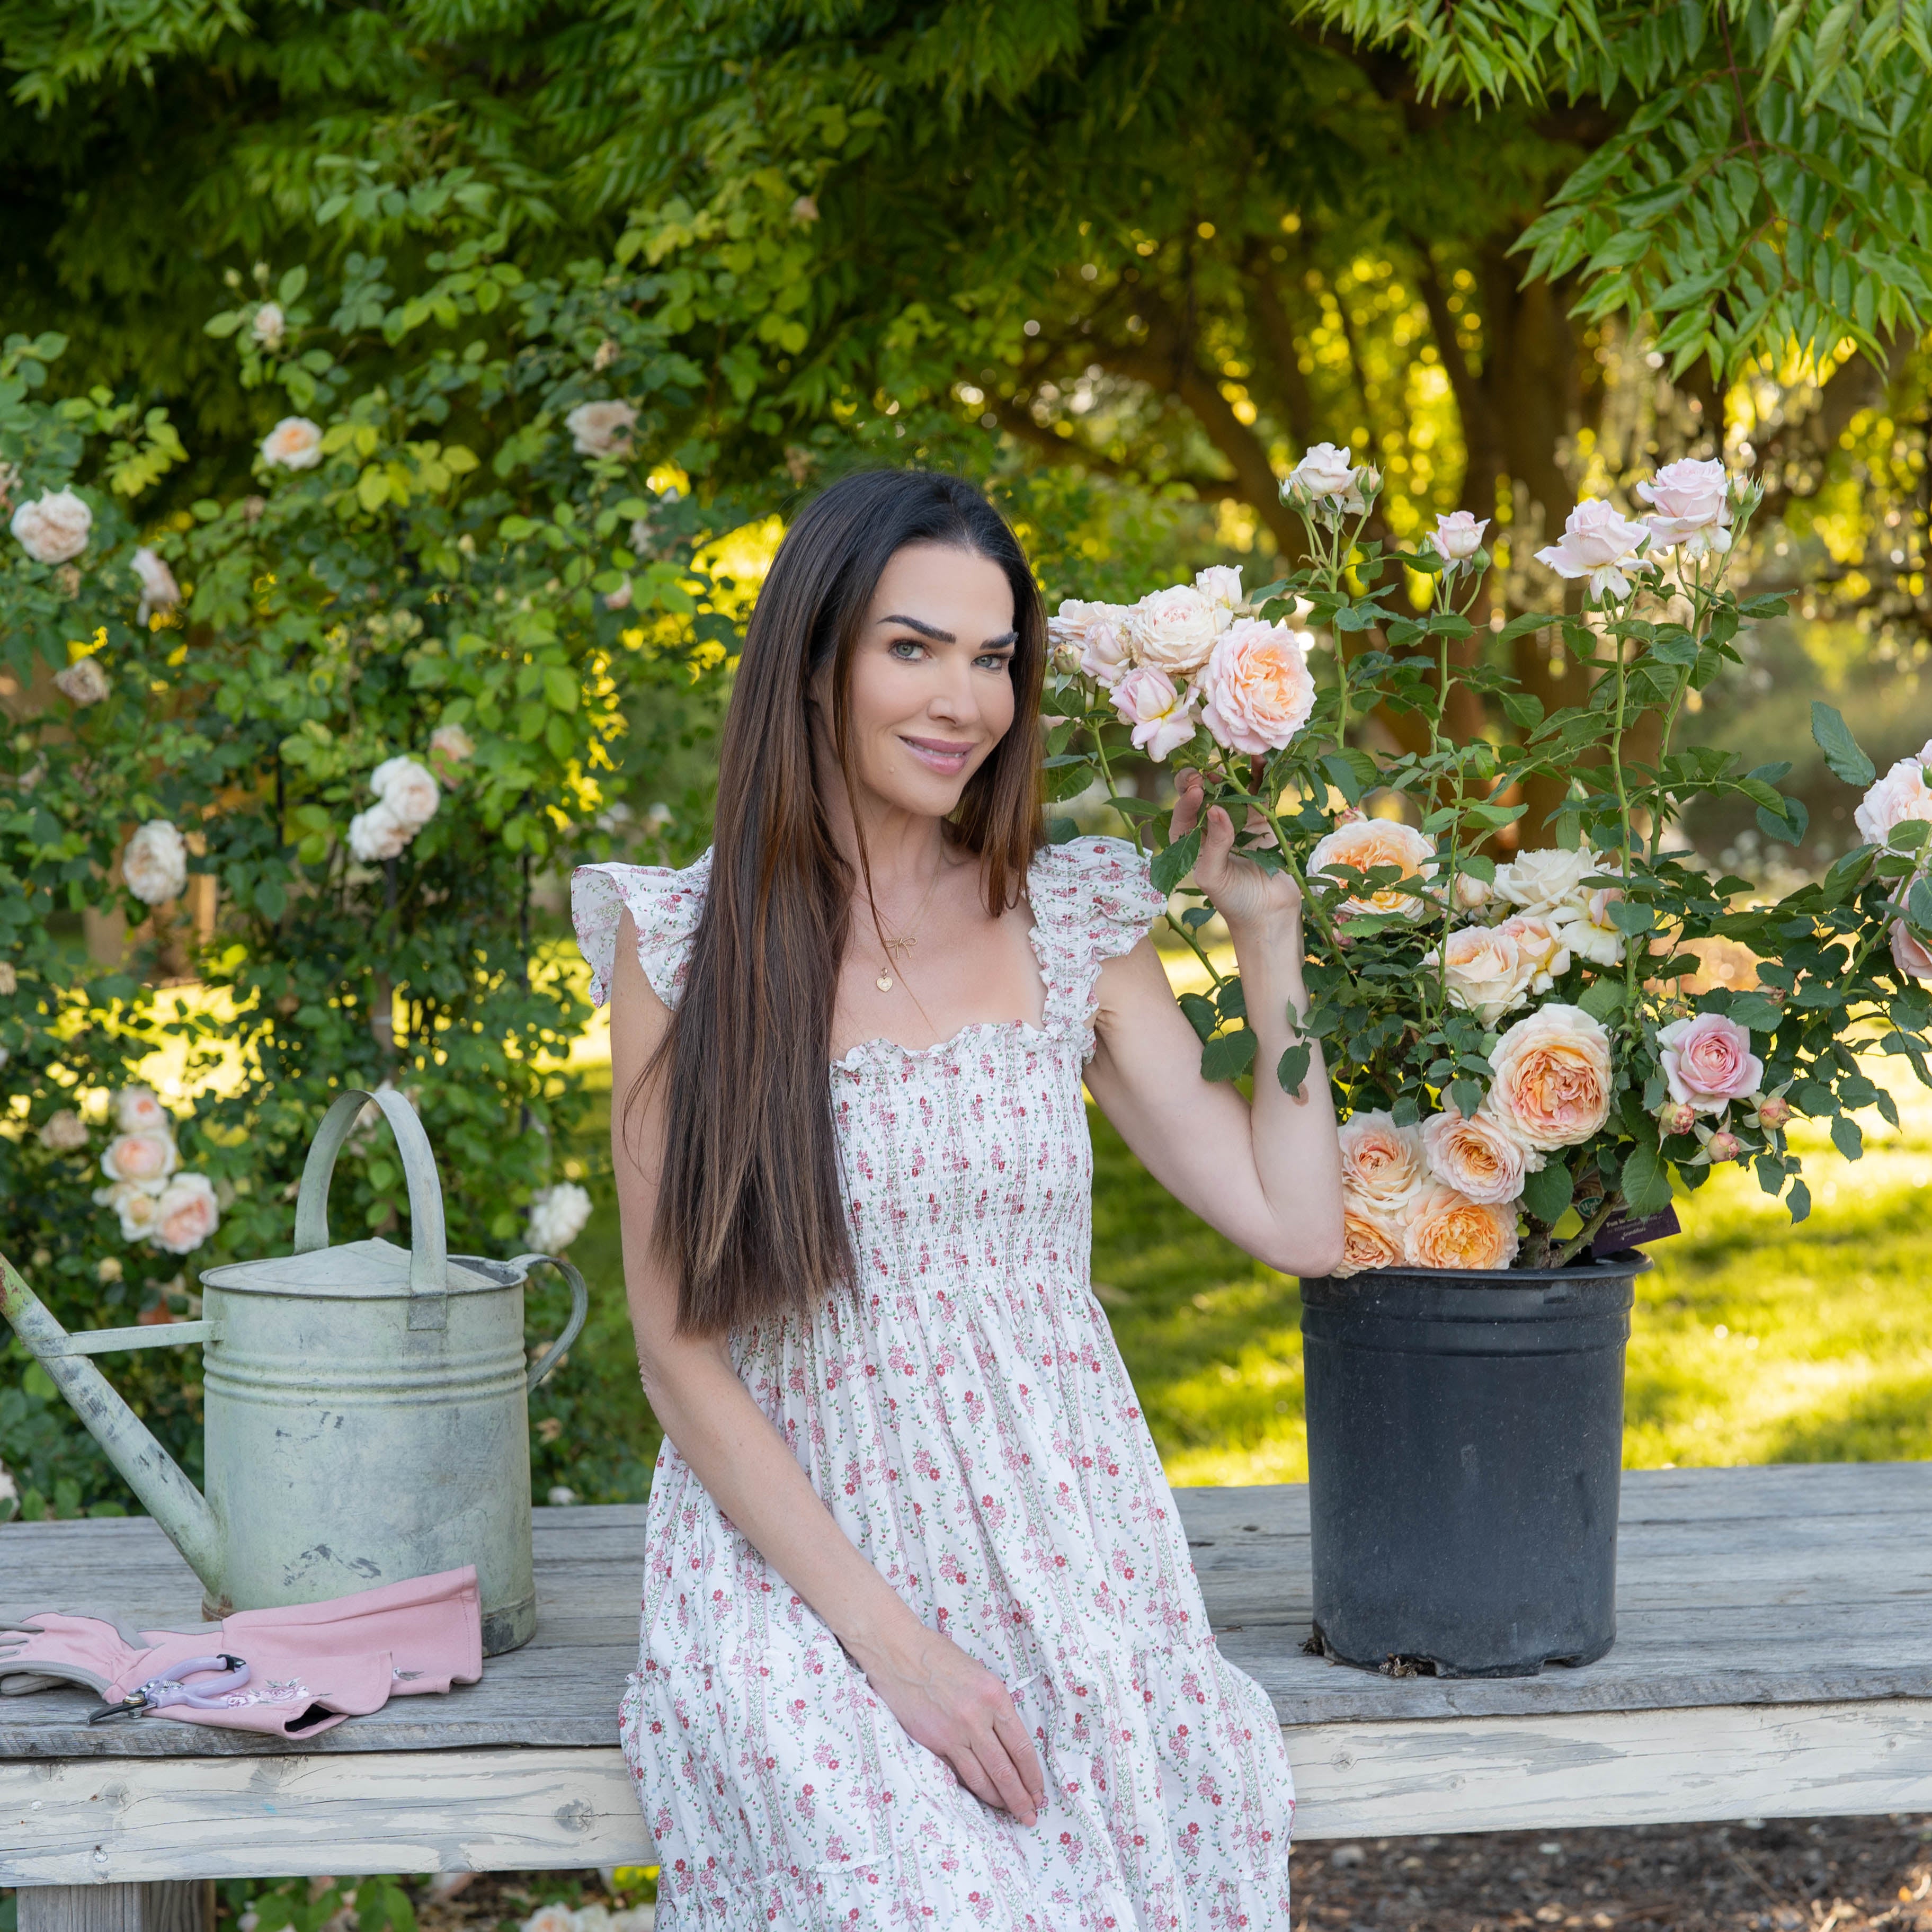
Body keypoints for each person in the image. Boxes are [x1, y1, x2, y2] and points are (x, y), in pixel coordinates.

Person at [572, 468, 1346, 1929]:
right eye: (911, 647)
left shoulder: (1070, 914)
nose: (965, 700)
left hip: (1067, 1538)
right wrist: (895, 1648)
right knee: (915, 1894)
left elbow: (1296, 1225)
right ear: (815, 666)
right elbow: (677, 1352)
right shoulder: (682, 938)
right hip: (802, 1563)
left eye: (994, 658)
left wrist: (1268, 931)